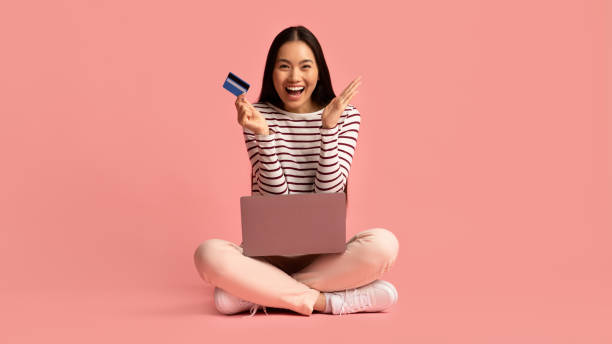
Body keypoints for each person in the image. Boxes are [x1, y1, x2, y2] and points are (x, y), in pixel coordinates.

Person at [193, 25, 399, 317]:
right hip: (266, 258)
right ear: (271, 72)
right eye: (284, 67)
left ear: (319, 72)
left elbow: (328, 197)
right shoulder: (257, 116)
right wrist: (263, 136)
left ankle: (258, 293)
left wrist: (328, 129)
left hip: (326, 258)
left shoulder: (346, 115)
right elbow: (277, 206)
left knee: (384, 244)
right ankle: (329, 302)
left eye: (305, 66)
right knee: (207, 254)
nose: (294, 77)